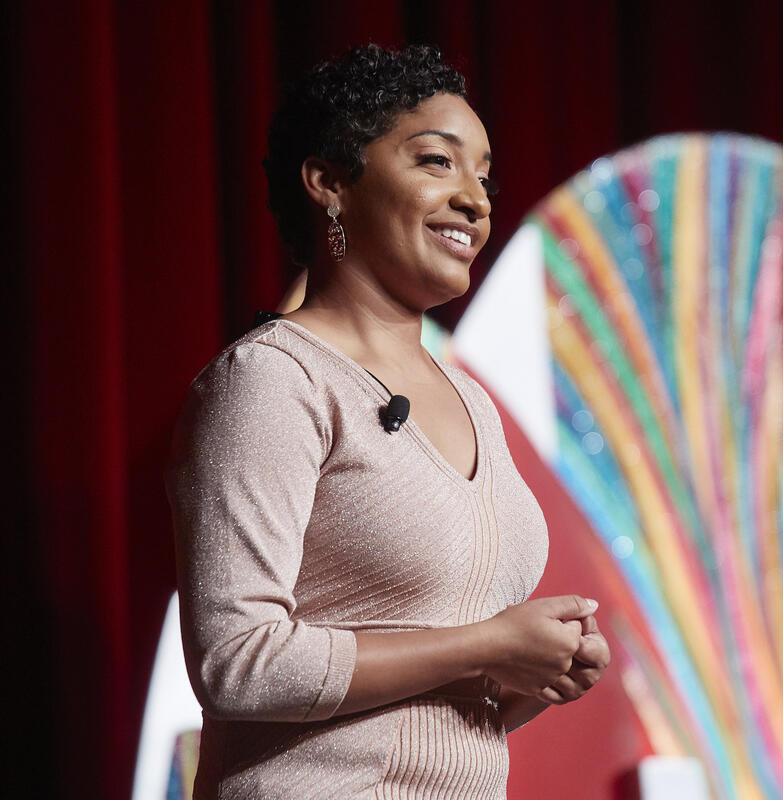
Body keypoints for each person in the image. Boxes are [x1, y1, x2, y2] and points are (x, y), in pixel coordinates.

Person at [167, 44, 609, 798]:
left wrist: (528, 677)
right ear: (331, 183)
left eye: (484, 177)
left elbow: (419, 720)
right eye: (437, 162)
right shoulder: (273, 380)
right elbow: (237, 664)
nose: (476, 200)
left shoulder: (471, 399)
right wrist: (485, 645)